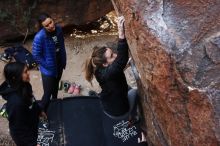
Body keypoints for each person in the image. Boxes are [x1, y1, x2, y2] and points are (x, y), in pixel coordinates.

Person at [84, 16, 130, 116]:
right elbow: (121, 60)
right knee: (134, 93)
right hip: (118, 110)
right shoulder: (109, 73)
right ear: (105, 64)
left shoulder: (97, 69)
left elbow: (117, 67)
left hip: (108, 100)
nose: (116, 55)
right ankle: (132, 116)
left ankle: (95, 97)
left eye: (113, 53)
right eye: (112, 56)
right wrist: (121, 35)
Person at [0, 62, 46, 146]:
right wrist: (32, 144)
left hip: (31, 124)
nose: (28, 73)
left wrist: (39, 111)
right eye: (25, 72)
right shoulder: (16, 103)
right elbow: (18, 130)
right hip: (25, 137)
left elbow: (32, 99)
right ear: (15, 77)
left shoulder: (25, 85)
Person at [32, 13, 66, 111]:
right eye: (47, 25)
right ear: (43, 27)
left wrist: (63, 60)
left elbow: (61, 45)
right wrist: (48, 65)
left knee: (55, 87)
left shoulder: (59, 29)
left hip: (59, 64)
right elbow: (36, 55)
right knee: (47, 95)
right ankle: (42, 112)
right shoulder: (39, 37)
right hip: (48, 70)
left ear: (52, 19)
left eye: (50, 22)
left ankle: (54, 103)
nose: (51, 26)